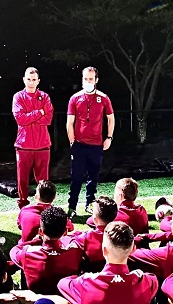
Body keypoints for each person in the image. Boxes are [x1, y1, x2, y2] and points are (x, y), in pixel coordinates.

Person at [66, 66, 115, 218]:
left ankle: (90, 204)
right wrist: (72, 141)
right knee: (76, 178)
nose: (88, 81)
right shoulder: (75, 98)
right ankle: (72, 206)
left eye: (91, 79)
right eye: (85, 79)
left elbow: (111, 118)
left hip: (96, 145)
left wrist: (109, 137)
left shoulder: (103, 98)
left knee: (93, 177)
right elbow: (70, 122)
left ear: (96, 80)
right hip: (79, 145)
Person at [10, 206, 84, 295]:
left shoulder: (27, 253)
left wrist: (36, 240)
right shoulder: (76, 251)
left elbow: (14, 250)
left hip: (36, 302)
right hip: (65, 301)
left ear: (40, 232)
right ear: (65, 232)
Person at [12, 67, 54, 209]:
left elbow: (48, 119)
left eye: (34, 80)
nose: (31, 82)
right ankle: (23, 206)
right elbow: (20, 119)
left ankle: (44, 206)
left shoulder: (45, 97)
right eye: (28, 79)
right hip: (23, 146)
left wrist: (30, 116)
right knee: (22, 180)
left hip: (43, 145)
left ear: (38, 81)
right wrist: (39, 112)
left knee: (43, 181)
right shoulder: (18, 97)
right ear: (24, 80)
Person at [17, 180, 74, 244]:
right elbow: (70, 227)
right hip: (46, 247)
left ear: (36, 196)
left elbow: (19, 226)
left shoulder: (24, 211)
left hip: (24, 246)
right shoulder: (58, 215)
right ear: (55, 197)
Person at [71, 196, 118, 273]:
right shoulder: (120, 234)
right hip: (113, 271)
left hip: (91, 274)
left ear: (95, 220)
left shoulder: (86, 237)